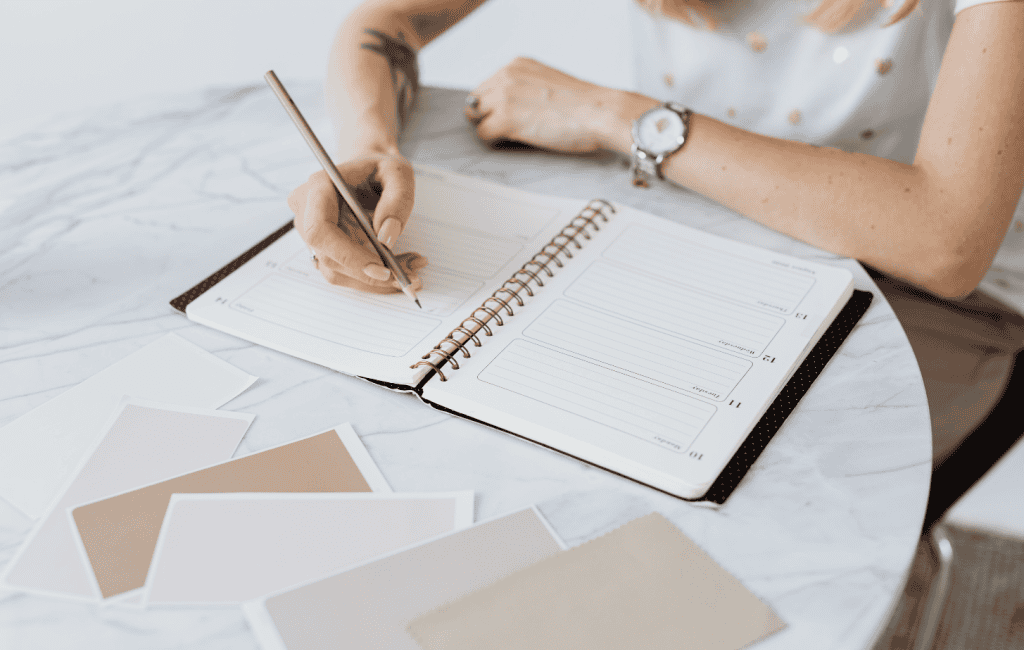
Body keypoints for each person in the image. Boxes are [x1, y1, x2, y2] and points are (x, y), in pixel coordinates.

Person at [287, 0, 1024, 464]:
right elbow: (387, 22)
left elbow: (946, 240)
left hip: (951, 308)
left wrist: (616, 117)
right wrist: (371, 146)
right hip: (725, 246)